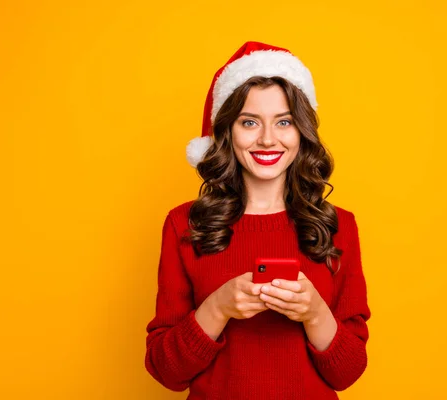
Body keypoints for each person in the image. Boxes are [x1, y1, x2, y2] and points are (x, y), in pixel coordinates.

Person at [144, 41, 371, 400]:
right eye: (249, 122)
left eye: (284, 122)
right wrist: (217, 308)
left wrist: (314, 314)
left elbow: (347, 373)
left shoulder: (338, 226)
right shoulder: (184, 225)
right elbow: (166, 371)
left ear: (302, 132)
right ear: (227, 132)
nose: (268, 139)